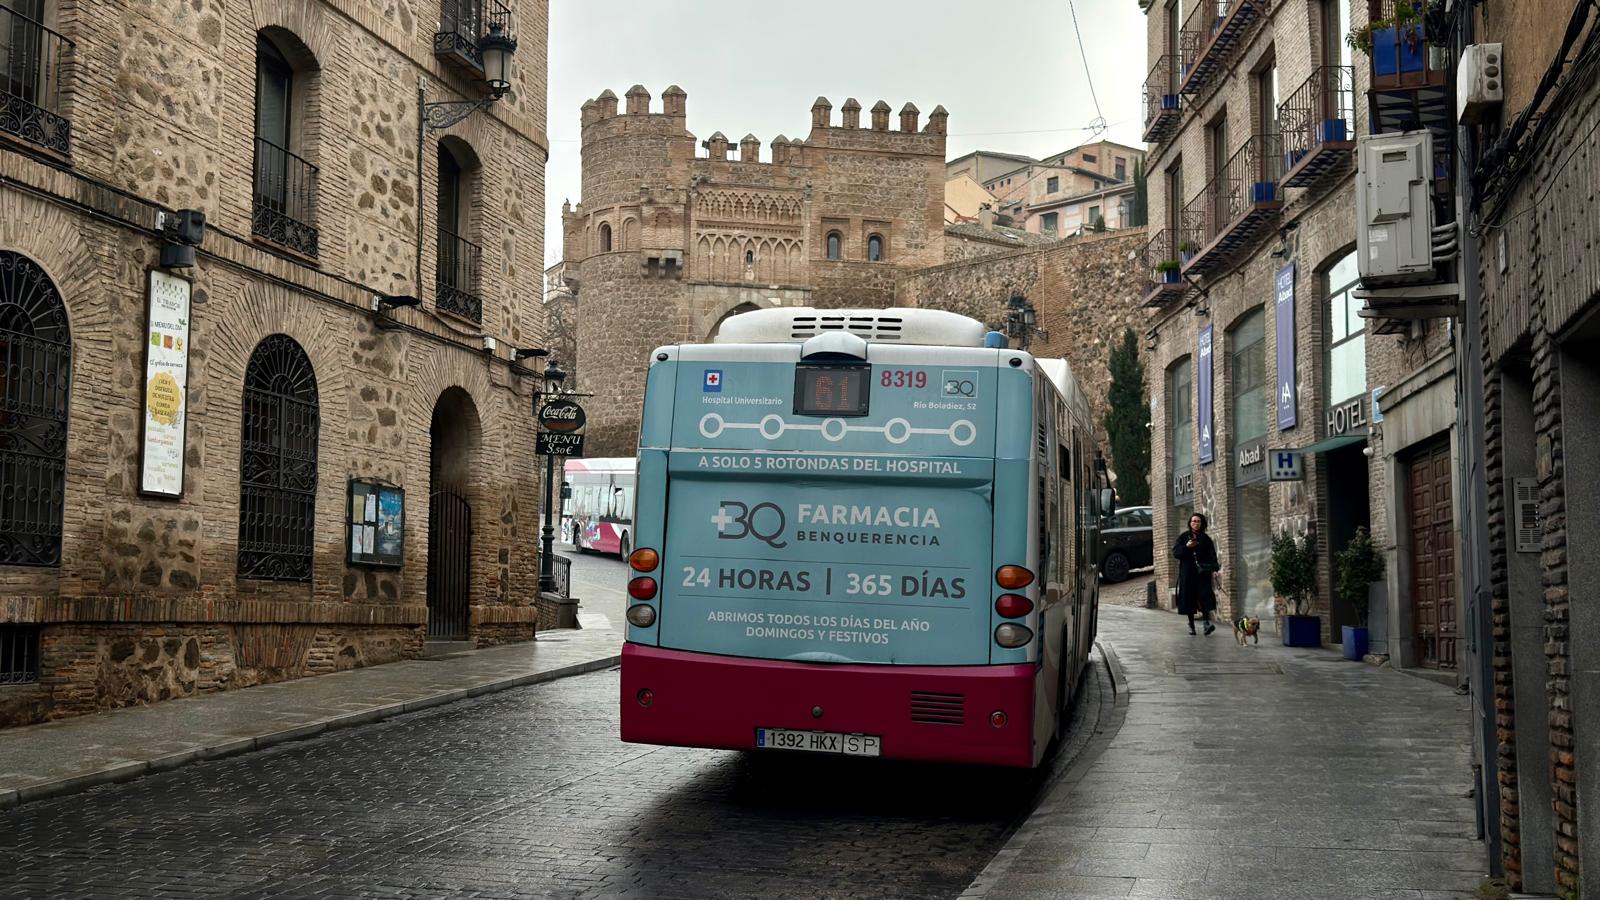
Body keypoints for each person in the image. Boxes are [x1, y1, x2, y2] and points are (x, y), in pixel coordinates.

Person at [1173, 513, 1219, 635]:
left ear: (1202, 523)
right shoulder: (1183, 537)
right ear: (1190, 523)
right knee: (1189, 598)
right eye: (1193, 521)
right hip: (1188, 573)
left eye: (1198, 521)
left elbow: (1212, 555)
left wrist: (1214, 569)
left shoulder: (1205, 539)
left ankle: (1206, 624)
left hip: (1202, 572)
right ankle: (1191, 625)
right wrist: (1187, 547)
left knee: (1205, 596)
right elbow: (1176, 553)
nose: (1195, 523)